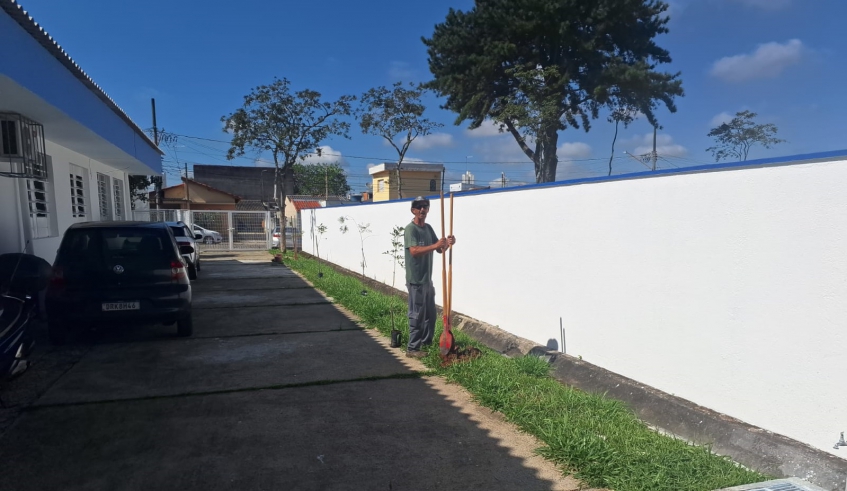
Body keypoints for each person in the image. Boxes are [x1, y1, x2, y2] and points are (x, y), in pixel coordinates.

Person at [404, 196, 456, 359]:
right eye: (419, 207)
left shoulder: (428, 228)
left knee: (430, 315)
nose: (422, 209)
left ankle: (425, 344)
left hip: (427, 279)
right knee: (417, 315)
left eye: (425, 207)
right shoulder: (410, 229)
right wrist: (435, 245)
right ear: (413, 210)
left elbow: (440, 249)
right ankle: (412, 348)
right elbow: (414, 251)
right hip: (416, 280)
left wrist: (448, 243)